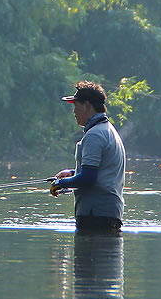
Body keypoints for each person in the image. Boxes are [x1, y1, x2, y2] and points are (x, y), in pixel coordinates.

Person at [51, 81, 126, 233]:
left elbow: (88, 178)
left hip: (95, 215)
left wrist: (60, 183)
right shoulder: (108, 130)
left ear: (87, 105)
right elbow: (98, 172)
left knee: (89, 257)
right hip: (108, 214)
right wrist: (72, 174)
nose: (74, 111)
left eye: (76, 105)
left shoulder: (95, 135)